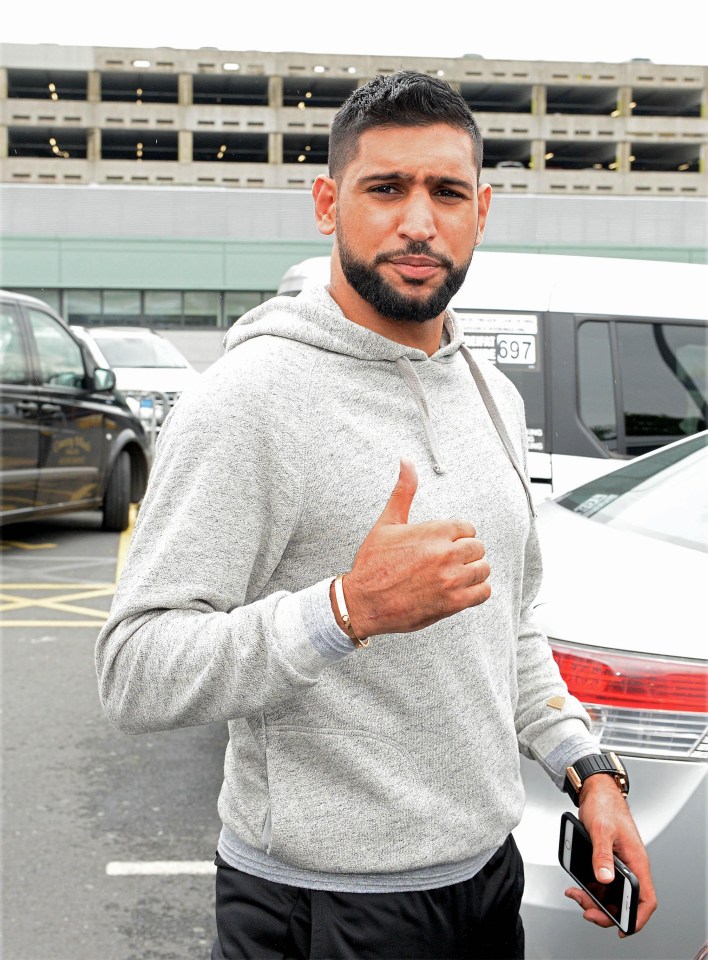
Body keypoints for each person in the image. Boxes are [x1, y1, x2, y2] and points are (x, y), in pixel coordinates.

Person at [96, 71, 656, 959]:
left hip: (483, 886)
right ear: (327, 203)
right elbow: (135, 671)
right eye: (386, 188)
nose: (419, 221)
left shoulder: (492, 396)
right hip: (317, 909)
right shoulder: (247, 402)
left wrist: (584, 767)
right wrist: (345, 612)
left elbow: (510, 625)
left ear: (483, 210)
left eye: (447, 191)